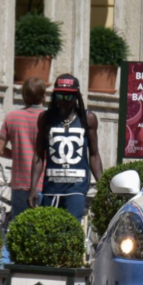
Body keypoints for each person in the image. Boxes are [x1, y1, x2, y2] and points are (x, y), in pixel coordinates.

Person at [28, 75, 102, 219]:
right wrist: (33, 189)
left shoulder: (88, 118)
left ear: (76, 97)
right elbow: (38, 154)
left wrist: (103, 185)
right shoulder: (45, 118)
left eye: (68, 97)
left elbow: (94, 155)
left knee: (71, 229)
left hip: (77, 188)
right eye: (60, 95)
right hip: (51, 188)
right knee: (49, 232)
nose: (63, 100)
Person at [0, 78, 47, 264]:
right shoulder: (49, 118)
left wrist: (18, 154)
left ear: (23, 96)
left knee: (17, 228)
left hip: (20, 183)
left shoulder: (12, 117)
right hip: (45, 183)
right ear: (43, 95)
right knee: (44, 231)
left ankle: (5, 265)